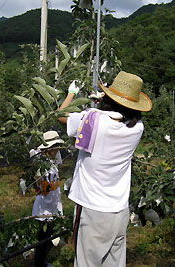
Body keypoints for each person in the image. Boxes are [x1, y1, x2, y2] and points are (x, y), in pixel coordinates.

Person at [58, 71, 152, 267]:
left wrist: (72, 93)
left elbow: (61, 114)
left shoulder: (93, 119)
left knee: (86, 263)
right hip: (118, 211)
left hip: (93, 210)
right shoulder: (137, 128)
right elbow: (117, 115)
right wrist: (105, 99)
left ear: (109, 99)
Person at [31, 130, 64, 267]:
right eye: (54, 146)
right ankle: (39, 263)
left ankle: (42, 261)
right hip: (44, 208)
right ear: (48, 148)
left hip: (53, 205)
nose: (57, 149)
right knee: (43, 239)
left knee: (50, 237)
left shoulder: (51, 162)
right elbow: (38, 183)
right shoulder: (41, 163)